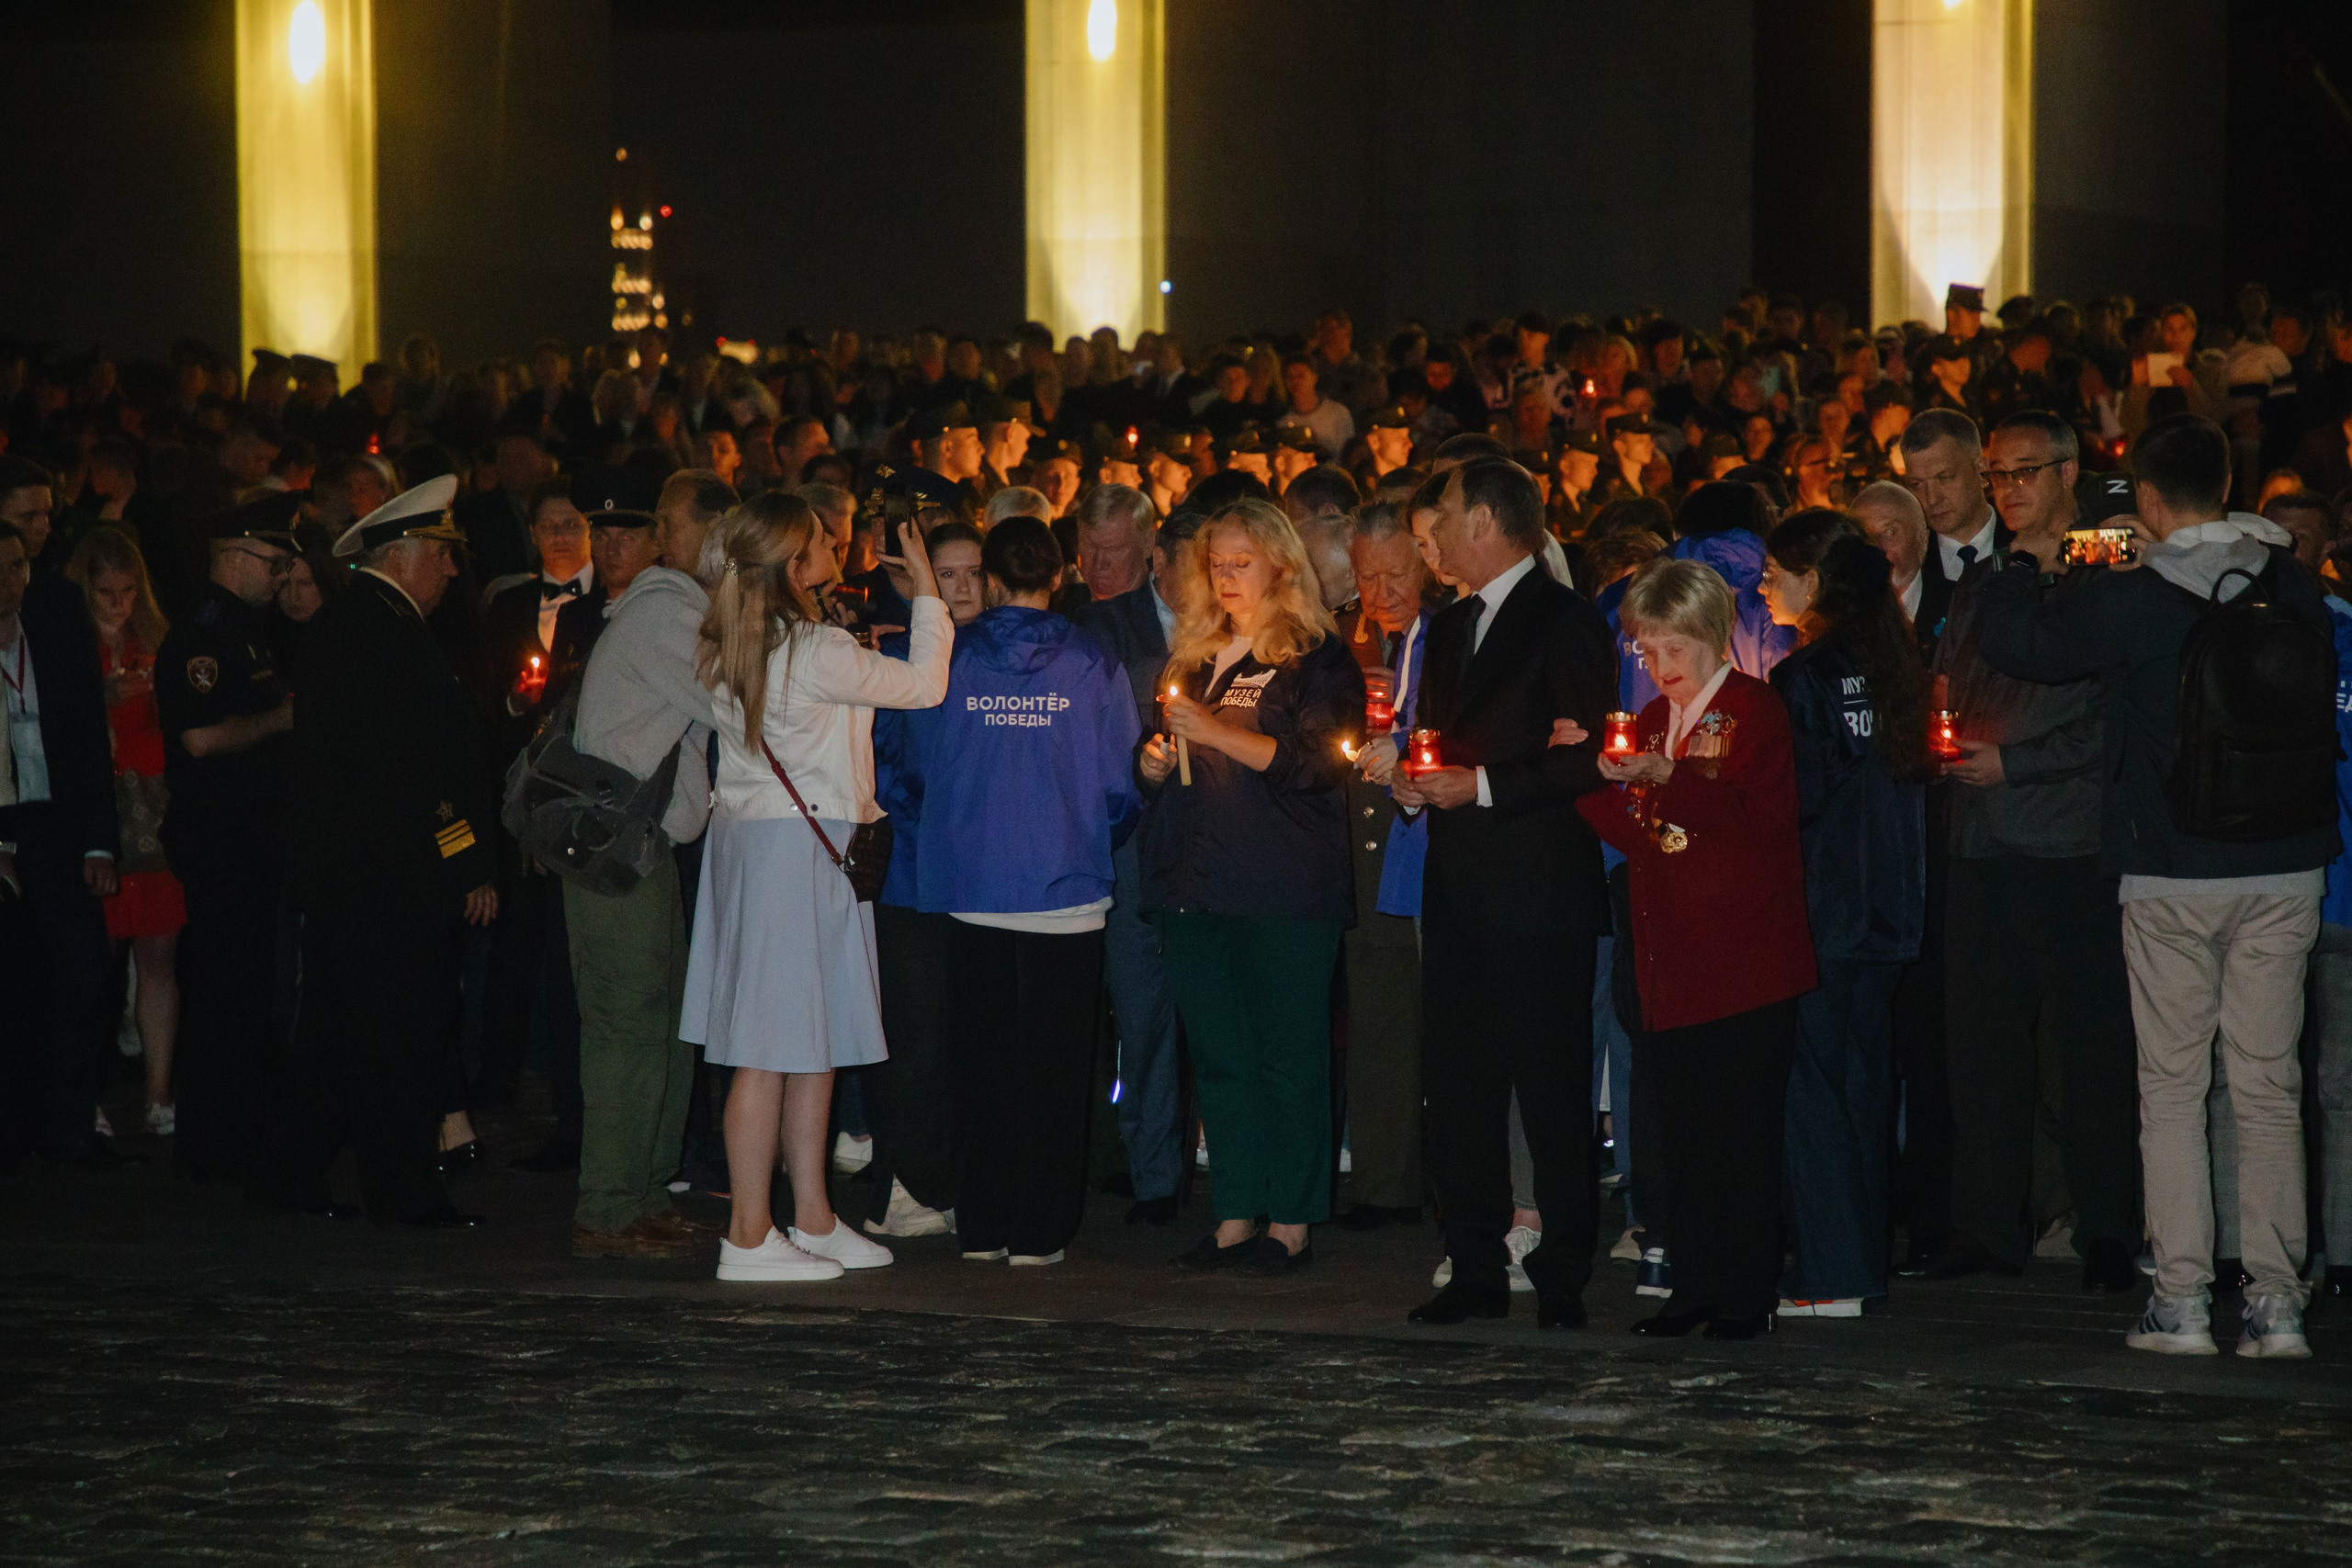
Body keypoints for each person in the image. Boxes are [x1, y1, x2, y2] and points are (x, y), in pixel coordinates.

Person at [1978, 413, 2336, 1359]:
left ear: (2141, 496)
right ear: (2227, 481)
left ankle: (2179, 1302)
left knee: (2172, 1088)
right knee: (2266, 1088)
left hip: (2171, 866)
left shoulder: (2135, 598)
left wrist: (2025, 560)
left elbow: (2021, 645)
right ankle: (2278, 1304)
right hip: (2287, 862)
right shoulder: (2290, 579)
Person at [689, 491, 949, 1283]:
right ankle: (747, 1230)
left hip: (772, 843)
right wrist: (930, 591)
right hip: (799, 848)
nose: (838, 543)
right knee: (770, 1048)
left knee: (811, 1040)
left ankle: (811, 1215)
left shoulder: (733, 638)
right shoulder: (811, 647)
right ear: (794, 563)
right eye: (822, 540)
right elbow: (925, 684)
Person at [1396, 457, 1615, 1329]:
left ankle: (1563, 1273)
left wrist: (1479, 784)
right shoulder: (1448, 628)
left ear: (1485, 520)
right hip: (1457, 890)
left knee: (1553, 1090)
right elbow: (1443, 741)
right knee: (1459, 1089)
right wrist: (1418, 777)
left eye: (1444, 516)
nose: (1436, 536)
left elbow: (1589, 752)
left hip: (1539, 891)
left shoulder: (1566, 619)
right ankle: (1475, 1263)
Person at [888, 517, 1141, 1264]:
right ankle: (1040, 1231)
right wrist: (1091, 836)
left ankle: (986, 1222)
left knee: (981, 1068)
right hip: (1064, 893)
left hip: (972, 889)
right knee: (1055, 1073)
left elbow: (918, 766)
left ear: (992, 579)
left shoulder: (954, 658)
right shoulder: (1092, 659)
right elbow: (1119, 783)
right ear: (1058, 574)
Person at [1929, 409, 2143, 1292]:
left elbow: (2114, 714)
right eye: (1998, 473)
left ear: (2068, 472)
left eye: (2026, 470)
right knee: (1982, 1048)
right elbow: (1954, 676)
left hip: (2070, 841)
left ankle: (2106, 1230)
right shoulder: (1992, 577)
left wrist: (2013, 761)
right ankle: (1987, 1228)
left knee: (2091, 1051)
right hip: (1981, 841)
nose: (2009, 487)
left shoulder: (2109, 560)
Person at [1579, 558, 1815, 1338]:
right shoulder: (1649, 723)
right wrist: (1587, 778)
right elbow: (1647, 842)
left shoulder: (1755, 709)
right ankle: (1693, 1286)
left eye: (1674, 646)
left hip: (1745, 963)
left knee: (1739, 1134)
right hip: (1671, 963)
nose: (1661, 666)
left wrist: (1666, 776)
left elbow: (1757, 819)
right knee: (1680, 1135)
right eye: (1647, 651)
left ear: (1715, 637)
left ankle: (1747, 1295)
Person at [258, 476, 497, 1226]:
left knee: (334, 1036)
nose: (452, 571)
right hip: (395, 880)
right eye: (442, 555)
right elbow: (424, 778)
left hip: (349, 879)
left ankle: (288, 1177)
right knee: (405, 1036)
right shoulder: (387, 637)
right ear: (401, 556)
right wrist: (466, 861)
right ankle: (402, 1192)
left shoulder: (353, 627)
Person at [1143, 495, 1363, 1277]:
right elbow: (1164, 750)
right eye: (1217, 564)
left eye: (1242, 562)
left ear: (1280, 564)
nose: (1227, 577)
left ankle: (1293, 1219)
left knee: (1287, 1054)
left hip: (1281, 885)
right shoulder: (1198, 653)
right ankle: (1235, 1211)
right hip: (1197, 881)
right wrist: (1156, 761)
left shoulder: (1314, 655)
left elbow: (1318, 761)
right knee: (1221, 1054)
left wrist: (1218, 733)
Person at [1758, 516, 1930, 1317]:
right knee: (1863, 1088)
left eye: (1773, 573)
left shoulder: (1806, 676)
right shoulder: (1893, 662)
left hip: (1826, 906)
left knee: (1814, 1090)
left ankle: (1830, 1271)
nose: (1763, 587)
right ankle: (1861, 1263)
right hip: (1891, 907)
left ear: (1813, 581)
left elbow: (1799, 797)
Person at [561, 490, 716, 1260]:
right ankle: (611, 1202)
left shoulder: (671, 608)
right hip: (616, 848)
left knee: (661, 1017)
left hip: (638, 845)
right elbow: (736, 702)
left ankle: (644, 1191)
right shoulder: (669, 612)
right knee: (628, 1020)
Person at [1075, 486, 1232, 1225]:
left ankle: (1234, 1170)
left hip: (1220, 844)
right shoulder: (1103, 626)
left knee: (1219, 1014)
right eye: (1198, 566)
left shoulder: (1243, 632)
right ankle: (1154, 1174)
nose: (1211, 581)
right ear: (1159, 562)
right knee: (1141, 1013)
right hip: (1137, 842)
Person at [151, 492, 300, 1183]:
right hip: (222, 839)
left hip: (255, 835)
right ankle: (215, 1144)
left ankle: (244, 1129)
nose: (279, 577)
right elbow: (201, 737)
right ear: (233, 554)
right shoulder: (204, 633)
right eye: (271, 562)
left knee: (248, 992)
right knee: (222, 992)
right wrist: (278, 723)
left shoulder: (246, 627)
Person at [0, 518, 124, 1168]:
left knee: (83, 972)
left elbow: (85, 735)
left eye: (18, 566)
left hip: (51, 823)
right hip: (3, 822)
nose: (9, 581)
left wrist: (100, 842)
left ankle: (69, 1120)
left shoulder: (51, 621)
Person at [65, 526, 185, 1138]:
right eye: (106, 592)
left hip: (151, 807)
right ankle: (89, 1096)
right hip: (99, 812)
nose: (119, 603)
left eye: (128, 590)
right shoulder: (68, 645)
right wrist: (98, 698)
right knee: (97, 958)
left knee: (158, 953)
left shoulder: (157, 641)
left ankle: (159, 1093)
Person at [1333, 500, 1430, 1230]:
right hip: (1365, 849)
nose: (1382, 591)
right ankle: (1384, 1180)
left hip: (1434, 838)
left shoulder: (1446, 635)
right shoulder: (1345, 639)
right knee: (1378, 1018)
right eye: (1368, 577)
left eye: (1396, 572)